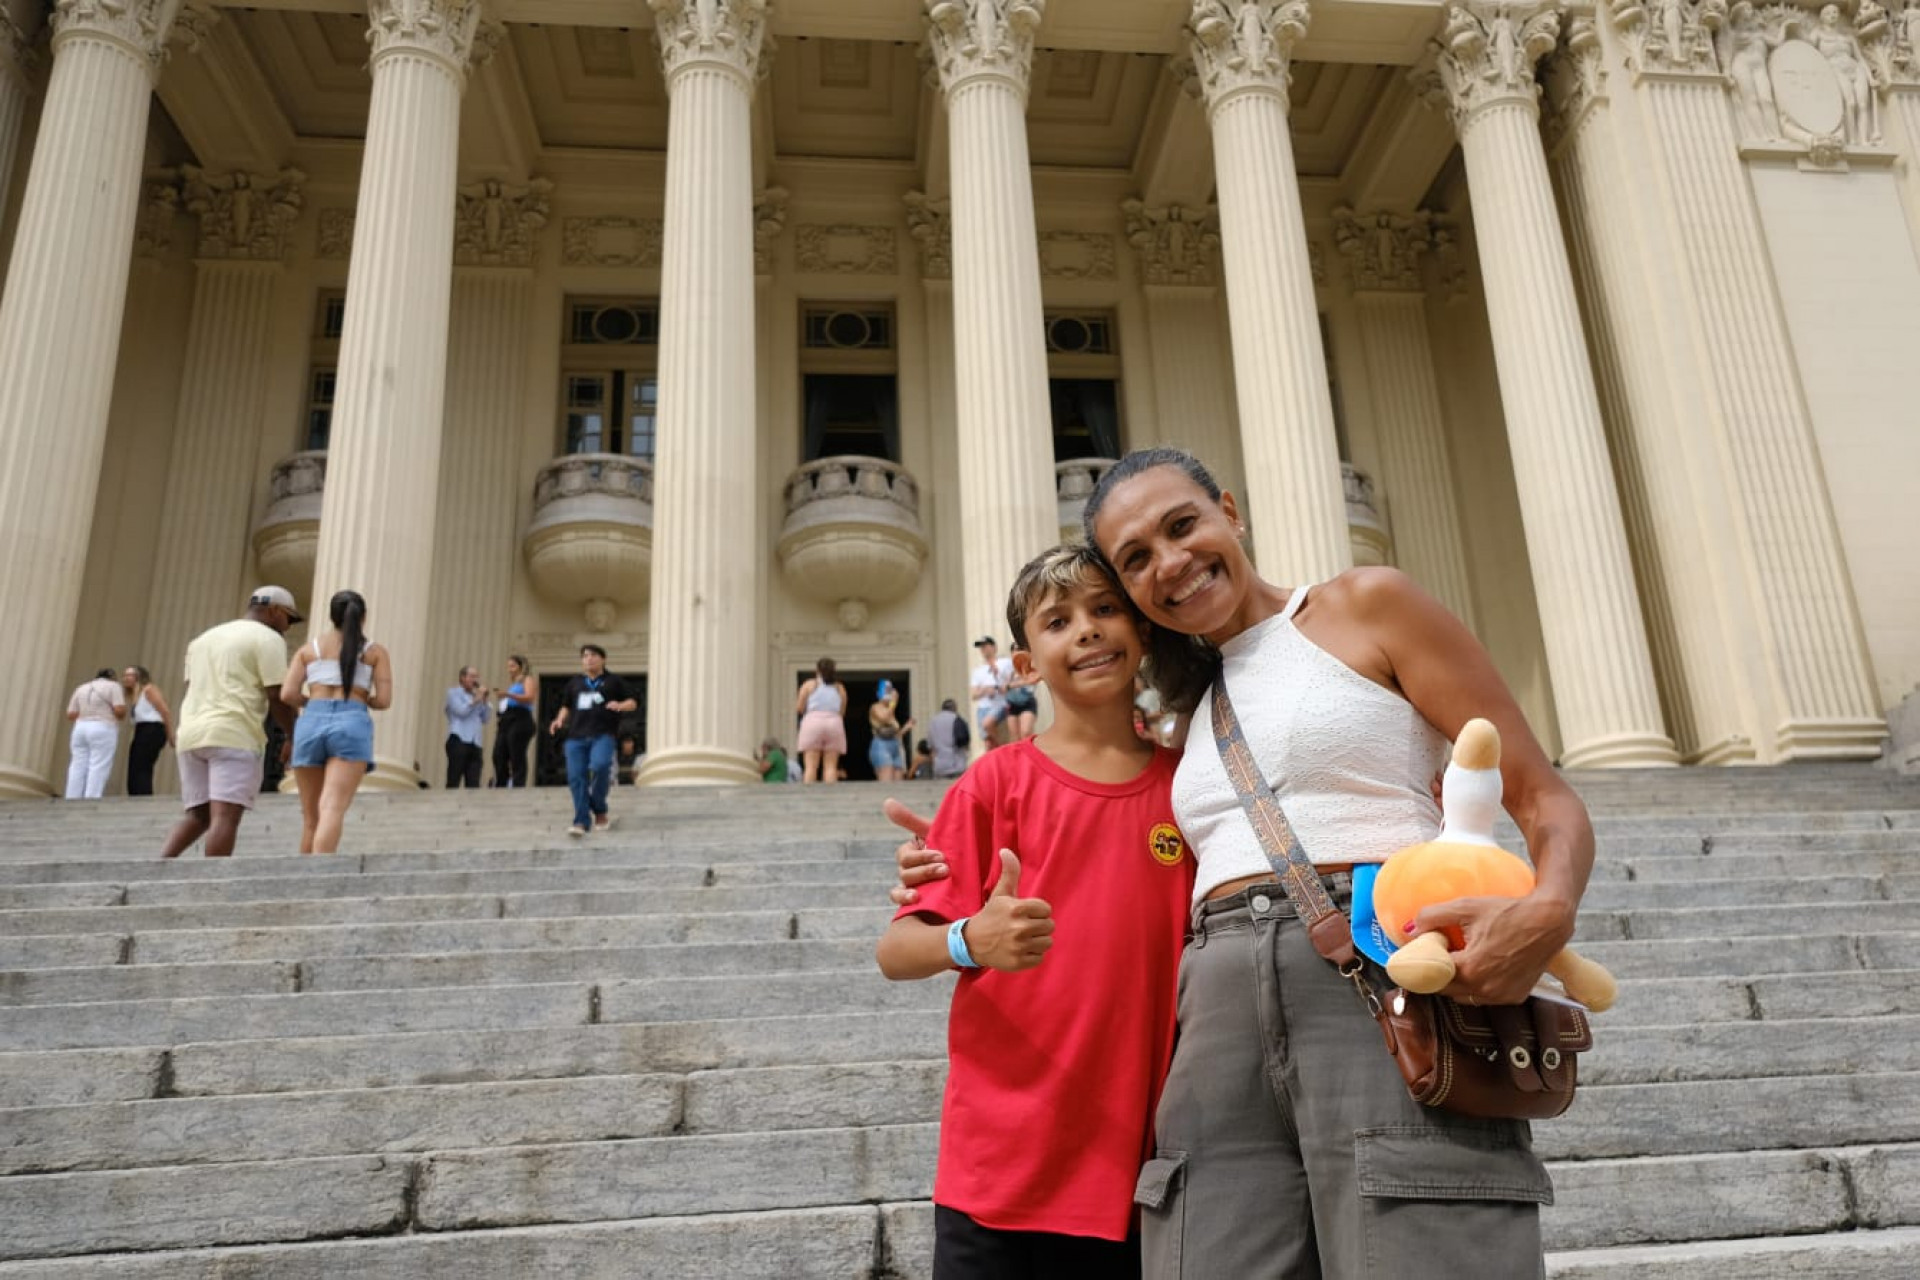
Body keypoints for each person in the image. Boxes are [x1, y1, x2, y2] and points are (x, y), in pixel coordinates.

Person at [896, 447, 1594, 1277]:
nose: (1173, 562)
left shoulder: (1367, 605)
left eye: (1182, 525)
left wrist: (1549, 908)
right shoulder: (1188, 714)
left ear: (1229, 509)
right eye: (1138, 560)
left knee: (1423, 1250)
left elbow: (1542, 795)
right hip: (1214, 1015)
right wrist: (954, 894)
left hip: (1371, 971)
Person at [876, 543, 1191, 1277]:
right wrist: (968, 940)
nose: (1086, 630)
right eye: (1058, 620)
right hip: (1001, 1173)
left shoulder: (1190, 788)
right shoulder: (994, 784)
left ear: (1142, 632)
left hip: (1146, 1174)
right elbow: (897, 951)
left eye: (1105, 609)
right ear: (1025, 666)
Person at [160, 587, 300, 859]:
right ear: (273, 611)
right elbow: (276, 694)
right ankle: (212, 882)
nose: (289, 626)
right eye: (289, 618)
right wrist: (294, 735)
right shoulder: (269, 638)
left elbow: (192, 684)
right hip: (234, 734)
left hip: (191, 734)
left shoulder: (202, 640)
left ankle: (159, 865)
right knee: (225, 816)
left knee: (199, 815)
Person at [281, 589, 392, 855]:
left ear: (332, 617)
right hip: (351, 720)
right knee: (332, 807)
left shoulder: (309, 650)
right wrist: (362, 698)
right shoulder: (374, 652)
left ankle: (303, 878)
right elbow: (384, 700)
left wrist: (312, 702)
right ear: (362, 617)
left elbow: (287, 694)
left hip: (312, 720)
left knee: (310, 818)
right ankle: (321, 873)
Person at [549, 644, 637, 836]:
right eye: (585, 656)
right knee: (576, 777)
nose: (589, 659)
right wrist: (559, 719)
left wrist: (620, 705)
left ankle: (599, 808)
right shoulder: (575, 683)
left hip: (603, 735)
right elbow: (566, 706)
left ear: (603, 659)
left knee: (600, 766)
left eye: (593, 655)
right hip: (576, 737)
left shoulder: (614, 681)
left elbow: (633, 702)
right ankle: (581, 820)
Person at [64, 668, 126, 798]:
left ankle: (72, 796)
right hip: (103, 726)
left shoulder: (81, 688)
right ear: (112, 677)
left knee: (77, 763)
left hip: (80, 727)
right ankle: (92, 796)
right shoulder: (113, 687)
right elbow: (119, 710)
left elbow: (71, 713)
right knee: (98, 764)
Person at [120, 666, 174, 796]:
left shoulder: (149, 690)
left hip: (152, 728)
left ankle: (142, 794)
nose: (126, 678)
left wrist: (170, 734)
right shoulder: (135, 695)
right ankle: (135, 793)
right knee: (135, 763)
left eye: (130, 675)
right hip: (142, 729)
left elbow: (164, 711)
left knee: (141, 764)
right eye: (125, 675)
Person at [794, 656, 847, 784]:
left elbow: (799, 707)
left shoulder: (809, 685)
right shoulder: (840, 688)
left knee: (811, 766)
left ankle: (809, 797)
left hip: (813, 721)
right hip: (834, 722)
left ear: (817, 670)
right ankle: (831, 797)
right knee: (830, 766)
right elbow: (842, 711)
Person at [443, 665, 491, 789]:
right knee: (454, 778)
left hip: (475, 743)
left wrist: (485, 701)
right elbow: (461, 711)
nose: (475, 680)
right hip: (459, 739)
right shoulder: (453, 693)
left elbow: (485, 718)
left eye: (476, 677)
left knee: (474, 783)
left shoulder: (477, 696)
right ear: (462, 678)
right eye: (471, 676)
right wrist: (475, 700)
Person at [491, 655, 535, 788]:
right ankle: (501, 783)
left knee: (516, 753)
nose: (510, 669)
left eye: (513, 666)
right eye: (509, 666)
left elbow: (529, 697)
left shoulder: (527, 680)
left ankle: (518, 784)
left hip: (521, 717)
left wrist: (508, 695)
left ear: (521, 667)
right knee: (499, 753)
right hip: (507, 718)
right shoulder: (514, 683)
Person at [969, 637, 1014, 749]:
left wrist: (999, 681)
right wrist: (985, 690)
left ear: (994, 647)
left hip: (1000, 704)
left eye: (985, 646)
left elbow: (1012, 679)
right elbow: (974, 695)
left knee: (987, 724)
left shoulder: (1005, 663)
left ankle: (1002, 748)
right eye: (981, 647)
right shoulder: (977, 671)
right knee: (988, 743)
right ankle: (997, 757)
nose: (983, 649)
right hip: (983, 707)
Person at [868, 678, 913, 783]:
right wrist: (893, 703)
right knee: (886, 781)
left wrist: (905, 728)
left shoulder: (891, 711)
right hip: (881, 745)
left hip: (895, 745)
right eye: (887, 691)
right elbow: (884, 718)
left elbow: (896, 733)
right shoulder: (875, 707)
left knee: (898, 781)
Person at [927, 697, 970, 779]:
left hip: (939, 765)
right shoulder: (958, 719)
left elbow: (931, 747)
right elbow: (964, 741)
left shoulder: (933, 721)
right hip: (957, 763)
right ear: (955, 708)